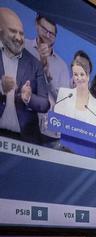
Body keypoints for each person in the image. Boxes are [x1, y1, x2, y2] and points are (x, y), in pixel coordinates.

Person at [0, 7, 49, 143]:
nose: (19, 38)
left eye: (21, 33)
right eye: (13, 31)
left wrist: (28, 98)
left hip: (26, 141)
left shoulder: (34, 64)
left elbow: (45, 104)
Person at [24, 14, 68, 143]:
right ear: (37, 25)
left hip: (49, 131)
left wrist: (48, 76)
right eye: (45, 30)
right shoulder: (23, 46)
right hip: (21, 121)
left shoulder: (62, 65)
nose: (48, 36)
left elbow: (63, 100)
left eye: (52, 34)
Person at [53, 59, 96, 128]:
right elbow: (56, 121)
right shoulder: (64, 94)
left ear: (88, 76)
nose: (79, 78)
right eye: (75, 74)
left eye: (82, 74)